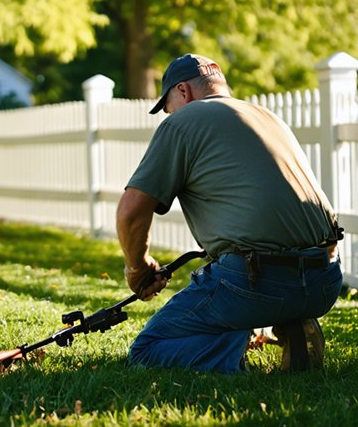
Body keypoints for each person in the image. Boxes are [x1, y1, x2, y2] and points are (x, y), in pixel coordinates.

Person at [117, 53, 343, 373]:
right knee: (246, 286)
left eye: (167, 106)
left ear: (184, 91)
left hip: (257, 284)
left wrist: (136, 269)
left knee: (147, 350)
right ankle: (294, 326)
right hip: (325, 281)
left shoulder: (184, 120)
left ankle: (235, 350)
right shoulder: (266, 116)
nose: (169, 114)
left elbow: (131, 212)